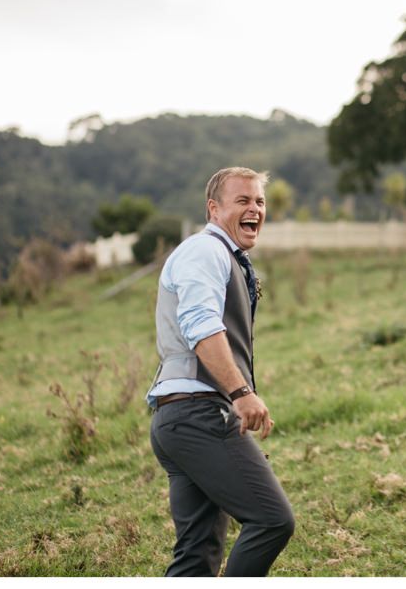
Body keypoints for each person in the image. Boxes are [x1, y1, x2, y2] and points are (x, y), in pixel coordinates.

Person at [146, 166, 294, 576]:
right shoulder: (206, 250)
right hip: (199, 414)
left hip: (180, 419)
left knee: (197, 555)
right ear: (214, 209)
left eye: (260, 201)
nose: (255, 209)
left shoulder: (224, 255)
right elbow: (201, 326)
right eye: (243, 201)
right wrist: (241, 392)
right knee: (272, 520)